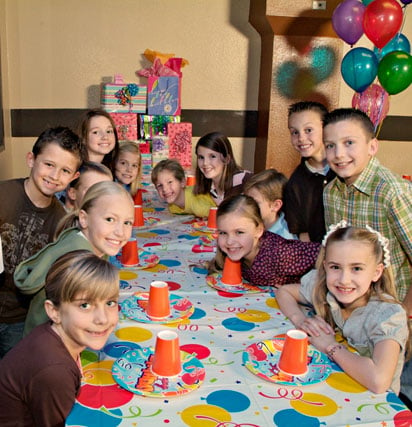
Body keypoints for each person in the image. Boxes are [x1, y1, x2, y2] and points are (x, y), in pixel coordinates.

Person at [276, 224, 409, 395]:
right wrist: (301, 321)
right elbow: (284, 291)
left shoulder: (387, 315)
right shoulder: (324, 290)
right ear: (325, 266)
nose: (344, 279)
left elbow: (379, 381)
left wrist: (330, 346)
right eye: (335, 267)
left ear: (376, 272)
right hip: (331, 390)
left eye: (357, 269)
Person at [0, 250, 119, 426]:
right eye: (85, 305)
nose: (102, 319)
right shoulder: (55, 372)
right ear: (54, 311)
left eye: (110, 303)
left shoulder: (51, 335)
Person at [0, 126, 84, 357]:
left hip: (21, 320)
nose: (54, 176)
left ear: (74, 177)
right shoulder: (4, 195)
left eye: (65, 170)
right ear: (31, 159)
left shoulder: (61, 222)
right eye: (48, 164)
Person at [14, 181, 134, 335]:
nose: (120, 232)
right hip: (50, 345)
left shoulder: (85, 241)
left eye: (127, 222)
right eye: (110, 219)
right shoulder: (78, 263)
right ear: (83, 219)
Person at [322, 108, 412, 309]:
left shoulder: (393, 192)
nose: (339, 154)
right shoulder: (330, 192)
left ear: (372, 146)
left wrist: (403, 315)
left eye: (349, 143)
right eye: (330, 145)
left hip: (391, 310)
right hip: (350, 309)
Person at [209, 194, 320, 287]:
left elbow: (322, 253)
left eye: (239, 232)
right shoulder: (232, 254)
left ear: (259, 231)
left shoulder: (279, 253)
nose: (229, 241)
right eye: (223, 233)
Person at [283, 101, 335, 243]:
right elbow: (302, 234)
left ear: (326, 129)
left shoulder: (343, 171)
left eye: (308, 130)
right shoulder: (295, 184)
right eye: (294, 132)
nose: (301, 138)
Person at [193, 132, 252, 206]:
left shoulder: (244, 180)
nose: (205, 163)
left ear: (227, 159)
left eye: (212, 156)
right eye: (201, 157)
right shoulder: (207, 187)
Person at [152, 159, 216, 218]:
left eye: (170, 182)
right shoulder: (173, 207)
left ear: (182, 182)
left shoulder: (198, 207)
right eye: (160, 185)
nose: (164, 189)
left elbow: (221, 214)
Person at [244, 168, 297, 239]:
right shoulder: (248, 222)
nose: (247, 206)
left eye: (255, 202)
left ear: (276, 205)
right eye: (246, 199)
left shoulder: (283, 239)